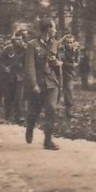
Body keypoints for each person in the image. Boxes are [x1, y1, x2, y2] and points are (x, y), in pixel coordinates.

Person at [24, 18, 61, 150]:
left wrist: (58, 63)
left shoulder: (55, 44)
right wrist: (34, 84)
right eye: (53, 28)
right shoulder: (32, 45)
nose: (55, 30)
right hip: (38, 83)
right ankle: (29, 127)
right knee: (34, 111)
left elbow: (58, 61)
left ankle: (48, 141)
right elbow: (30, 66)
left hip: (51, 82)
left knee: (51, 108)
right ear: (48, 29)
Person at [58, 34, 79, 119]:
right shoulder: (62, 50)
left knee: (69, 91)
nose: (69, 44)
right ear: (64, 43)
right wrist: (71, 64)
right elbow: (61, 61)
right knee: (58, 91)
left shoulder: (76, 50)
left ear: (73, 43)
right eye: (67, 42)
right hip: (59, 73)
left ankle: (69, 111)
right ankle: (55, 109)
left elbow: (77, 62)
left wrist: (71, 65)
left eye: (71, 42)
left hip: (69, 74)